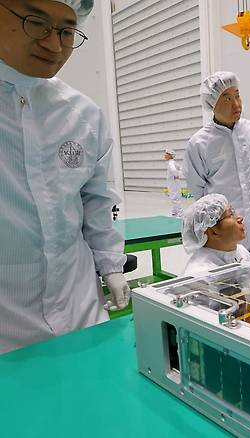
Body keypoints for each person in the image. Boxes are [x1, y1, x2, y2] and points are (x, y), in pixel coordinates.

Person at [0, 0, 130, 354]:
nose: (54, 44)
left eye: (67, 31)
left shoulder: (83, 116)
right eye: (36, 22)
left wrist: (111, 266)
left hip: (81, 311)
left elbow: (96, 202)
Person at [184, 71, 250, 263]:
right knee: (232, 285)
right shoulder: (199, 143)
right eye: (227, 99)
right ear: (212, 104)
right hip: (226, 233)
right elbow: (199, 192)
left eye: (237, 95)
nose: (236, 104)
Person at [182, 194, 250, 275]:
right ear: (213, 232)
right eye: (230, 215)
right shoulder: (202, 273)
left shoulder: (240, 252)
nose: (240, 218)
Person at [164, 149, 183, 218]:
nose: (165, 155)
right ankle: (174, 212)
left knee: (175, 197)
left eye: (167, 154)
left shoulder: (171, 163)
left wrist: (176, 175)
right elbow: (181, 168)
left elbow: (174, 170)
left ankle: (180, 213)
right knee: (174, 197)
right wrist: (178, 174)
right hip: (173, 182)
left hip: (173, 182)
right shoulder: (173, 162)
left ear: (170, 155)